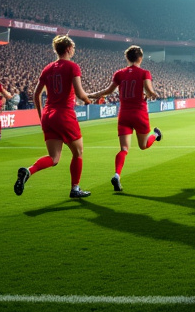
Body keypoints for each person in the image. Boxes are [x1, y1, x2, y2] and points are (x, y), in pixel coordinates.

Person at [14, 36, 93, 199]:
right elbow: (79, 93)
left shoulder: (48, 68)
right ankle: (75, 188)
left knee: (54, 158)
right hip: (64, 113)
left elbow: (36, 95)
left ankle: (29, 171)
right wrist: (86, 99)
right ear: (69, 49)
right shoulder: (73, 67)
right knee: (78, 152)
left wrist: (41, 116)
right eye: (73, 48)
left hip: (48, 115)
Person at [87, 45, 161, 193]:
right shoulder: (144, 73)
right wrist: (153, 94)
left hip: (124, 115)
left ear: (127, 58)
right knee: (144, 145)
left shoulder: (119, 74)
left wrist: (90, 94)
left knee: (124, 149)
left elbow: (107, 91)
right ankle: (157, 135)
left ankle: (117, 174)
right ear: (141, 58)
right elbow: (148, 89)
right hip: (139, 114)